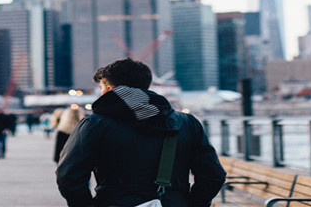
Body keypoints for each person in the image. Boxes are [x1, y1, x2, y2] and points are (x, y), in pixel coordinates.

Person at [56, 58, 226, 207]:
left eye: (102, 87)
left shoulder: (94, 124)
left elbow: (68, 175)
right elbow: (213, 175)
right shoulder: (187, 124)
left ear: (110, 88)